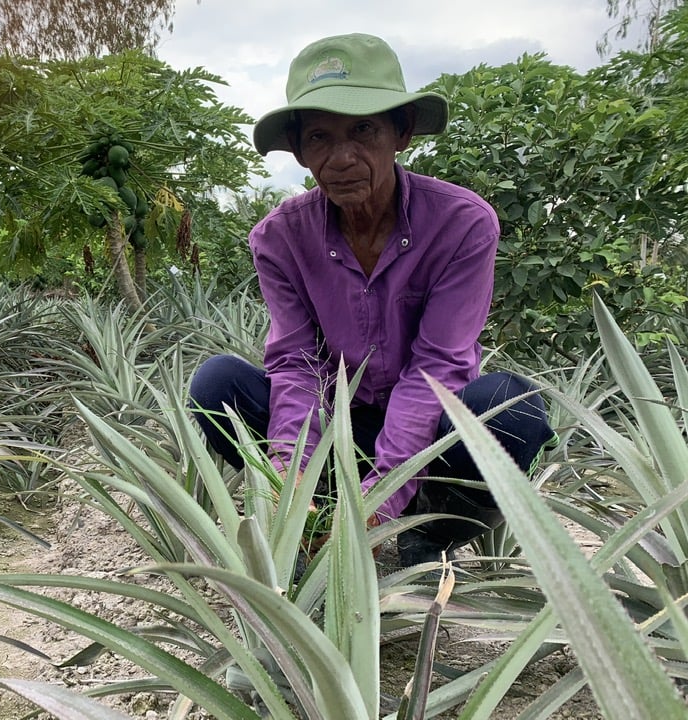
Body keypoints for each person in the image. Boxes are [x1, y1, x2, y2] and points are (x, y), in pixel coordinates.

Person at [188, 33, 556, 567]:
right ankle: (321, 514)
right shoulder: (280, 237)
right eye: (319, 136)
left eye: (363, 129)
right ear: (298, 150)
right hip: (346, 424)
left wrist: (382, 502)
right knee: (216, 384)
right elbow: (296, 364)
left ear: (401, 132)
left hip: (432, 430)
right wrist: (290, 481)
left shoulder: (461, 224)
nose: (341, 157)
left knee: (508, 409)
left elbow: (438, 365)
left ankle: (428, 535)